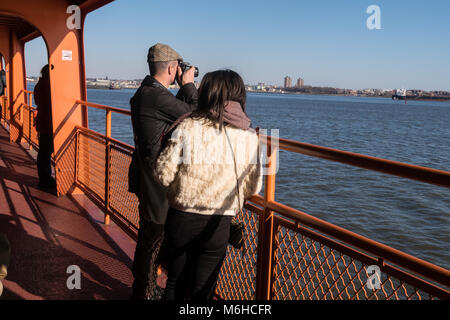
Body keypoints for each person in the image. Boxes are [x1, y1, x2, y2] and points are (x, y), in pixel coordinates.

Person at [154, 70, 262, 300]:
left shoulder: (187, 127)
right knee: (203, 289)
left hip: (181, 219)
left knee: (175, 282)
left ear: (206, 94)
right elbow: (253, 188)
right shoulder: (250, 137)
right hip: (219, 222)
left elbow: (163, 175)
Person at [129, 43, 198, 299]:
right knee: (153, 238)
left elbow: (173, 114)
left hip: (147, 176)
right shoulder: (155, 95)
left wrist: (182, 87)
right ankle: (144, 292)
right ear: (171, 67)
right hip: (156, 180)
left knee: (150, 236)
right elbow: (195, 115)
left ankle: (145, 288)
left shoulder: (148, 92)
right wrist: (189, 85)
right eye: (178, 68)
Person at [34, 65, 56, 188]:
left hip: (43, 121)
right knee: (46, 152)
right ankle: (45, 179)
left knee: (44, 151)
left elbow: (39, 102)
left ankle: (44, 178)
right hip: (49, 122)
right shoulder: (48, 85)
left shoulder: (40, 84)